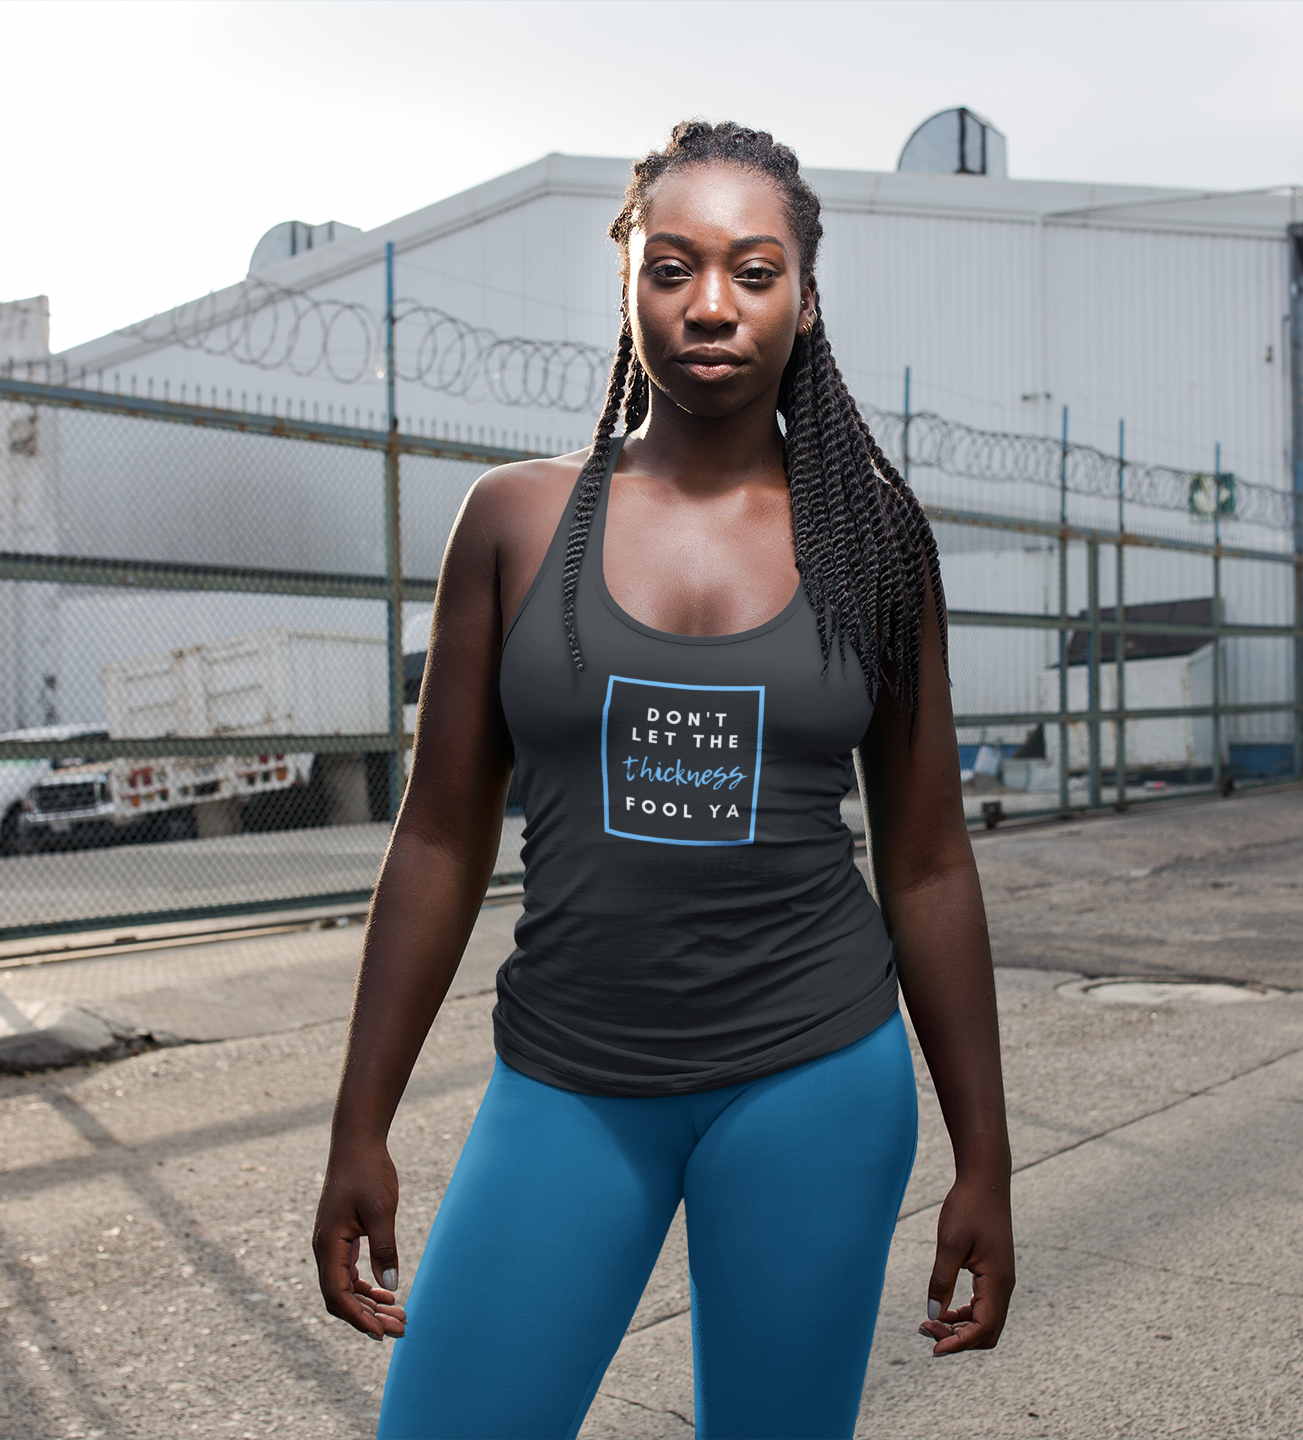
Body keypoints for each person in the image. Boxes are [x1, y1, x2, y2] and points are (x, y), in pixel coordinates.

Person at [314, 120, 1014, 1440]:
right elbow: (436, 842)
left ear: (806, 299)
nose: (711, 305)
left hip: (815, 1078)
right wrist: (364, 1122)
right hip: (570, 1084)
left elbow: (927, 859)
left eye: (755, 272)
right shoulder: (516, 525)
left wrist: (987, 1157)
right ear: (624, 275)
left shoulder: (872, 539)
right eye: (673, 265)